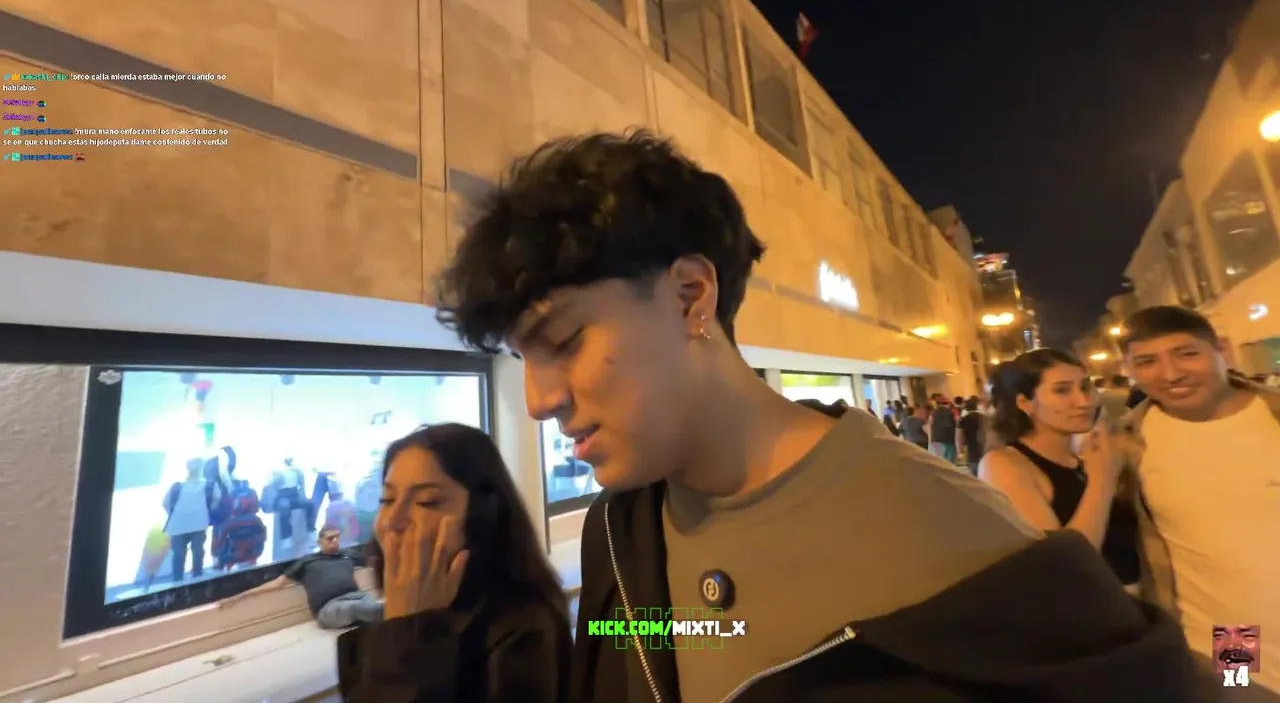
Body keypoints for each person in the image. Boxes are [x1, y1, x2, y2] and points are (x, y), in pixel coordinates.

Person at [433, 131, 1208, 701]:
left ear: (690, 297)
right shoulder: (619, 528)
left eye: (564, 342)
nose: (537, 400)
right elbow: (647, 644)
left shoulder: (954, 534)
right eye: (522, 360)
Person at [335, 424, 571, 702]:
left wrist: (409, 635)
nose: (393, 520)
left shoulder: (524, 632)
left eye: (426, 502)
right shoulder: (388, 617)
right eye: (387, 499)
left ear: (483, 515)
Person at [1120, 305, 1280, 694]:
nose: (1171, 373)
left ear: (1222, 349)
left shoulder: (1273, 416)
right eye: (1147, 362)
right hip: (1231, 636)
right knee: (1242, 697)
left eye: (1187, 353)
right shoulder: (1126, 443)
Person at [978, 349, 1141, 589]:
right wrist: (1103, 478)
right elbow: (1066, 567)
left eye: (1085, 387)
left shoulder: (1084, 459)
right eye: (1062, 390)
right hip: (1087, 609)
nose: (1084, 401)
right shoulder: (1004, 465)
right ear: (1025, 403)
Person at [219, 525, 382, 629]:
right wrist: (238, 597)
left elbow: (375, 562)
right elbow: (276, 584)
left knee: (373, 606)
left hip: (358, 596)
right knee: (362, 609)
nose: (335, 541)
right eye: (330, 538)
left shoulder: (347, 554)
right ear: (319, 542)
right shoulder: (307, 561)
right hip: (330, 607)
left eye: (337, 537)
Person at [161, 456, 217, 584]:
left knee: (178, 555)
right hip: (199, 523)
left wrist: (176, 514)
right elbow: (216, 500)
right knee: (198, 552)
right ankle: (197, 579)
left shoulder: (177, 486)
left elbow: (165, 503)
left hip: (178, 525)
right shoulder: (209, 485)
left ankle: (178, 581)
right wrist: (205, 512)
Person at [957, 396, 986, 475]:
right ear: (976, 406)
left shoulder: (963, 420)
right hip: (984, 447)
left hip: (971, 448)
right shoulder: (984, 418)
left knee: (974, 471)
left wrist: (960, 450)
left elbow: (959, 436)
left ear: (966, 408)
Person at [927, 397, 959, 464]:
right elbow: (957, 423)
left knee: (940, 461)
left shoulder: (933, 413)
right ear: (948, 404)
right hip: (949, 439)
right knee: (950, 461)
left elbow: (929, 425)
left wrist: (930, 439)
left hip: (936, 439)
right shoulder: (952, 412)